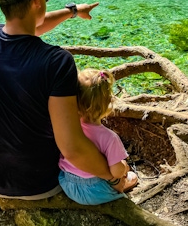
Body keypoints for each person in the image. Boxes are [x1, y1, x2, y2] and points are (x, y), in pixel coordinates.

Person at [0, 0, 123, 199]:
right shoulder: (57, 62)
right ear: (38, 0)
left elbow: (30, 28)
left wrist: (72, 11)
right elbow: (72, 149)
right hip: (36, 184)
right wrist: (112, 176)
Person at [58, 69, 139, 205]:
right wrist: (124, 167)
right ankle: (120, 187)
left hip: (67, 183)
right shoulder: (110, 138)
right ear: (108, 103)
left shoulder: (69, 126)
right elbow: (116, 172)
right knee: (129, 174)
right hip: (94, 191)